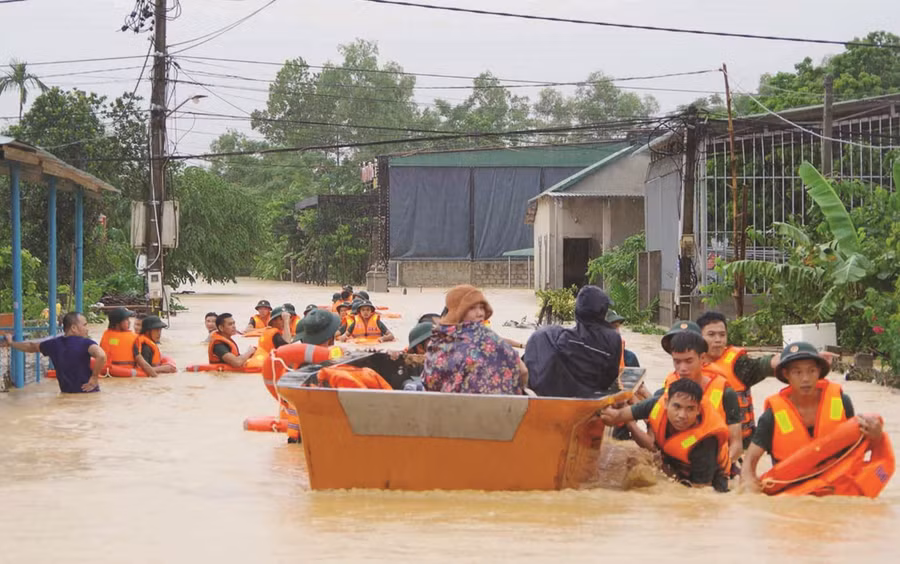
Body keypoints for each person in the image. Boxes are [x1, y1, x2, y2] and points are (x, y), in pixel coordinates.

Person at [741, 342, 884, 492]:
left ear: (819, 372)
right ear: (786, 374)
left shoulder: (841, 402)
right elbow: (749, 462)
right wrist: (749, 488)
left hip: (838, 490)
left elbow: (857, 448)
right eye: (797, 372)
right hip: (794, 496)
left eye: (811, 371)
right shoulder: (772, 417)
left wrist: (876, 436)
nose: (805, 379)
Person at [601, 331, 744, 466]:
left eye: (688, 361)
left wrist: (720, 466)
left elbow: (736, 445)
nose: (682, 368)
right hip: (674, 466)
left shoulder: (726, 393)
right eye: (677, 361)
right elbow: (649, 441)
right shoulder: (664, 394)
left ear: (702, 359)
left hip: (710, 467)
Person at [696, 311, 781, 448]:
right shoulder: (689, 363)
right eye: (711, 335)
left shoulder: (738, 364)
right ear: (699, 337)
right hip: (706, 442)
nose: (718, 340)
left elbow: (763, 365)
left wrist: (797, 359)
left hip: (741, 442)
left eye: (722, 335)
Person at [423, 285, 527, 395]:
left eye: (481, 307)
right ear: (459, 311)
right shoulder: (487, 337)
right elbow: (523, 371)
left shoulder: (437, 339)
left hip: (444, 408)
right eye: (472, 308)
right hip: (494, 408)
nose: (480, 313)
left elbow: (429, 381)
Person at [630, 378, 731, 492]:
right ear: (667, 404)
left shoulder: (705, 442)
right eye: (677, 407)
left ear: (698, 409)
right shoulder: (659, 410)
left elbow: (701, 492)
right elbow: (619, 415)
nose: (682, 415)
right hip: (677, 468)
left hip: (709, 482)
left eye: (690, 409)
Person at [524, 285, 622, 398]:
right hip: (591, 399)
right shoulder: (613, 338)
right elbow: (609, 378)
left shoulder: (550, 337)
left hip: (552, 399)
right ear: (603, 312)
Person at [1, 312, 105, 393]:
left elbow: (31, 346)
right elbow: (101, 355)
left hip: (67, 394)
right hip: (89, 393)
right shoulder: (86, 343)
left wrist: (11, 343)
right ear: (73, 328)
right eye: (85, 325)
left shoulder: (53, 344)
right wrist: (94, 377)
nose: (87, 329)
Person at [99, 307, 138, 372]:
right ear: (117, 323)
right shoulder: (134, 337)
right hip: (127, 372)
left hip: (110, 372)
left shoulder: (106, 335)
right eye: (126, 319)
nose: (129, 322)